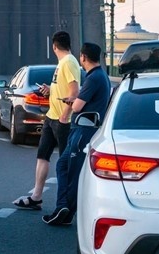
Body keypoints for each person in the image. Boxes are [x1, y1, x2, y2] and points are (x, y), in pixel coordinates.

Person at [43, 42, 111, 226]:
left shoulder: (93, 78)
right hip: (86, 129)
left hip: (83, 130)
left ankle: (65, 210)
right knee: (64, 166)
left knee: (70, 171)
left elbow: (78, 106)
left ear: (83, 57)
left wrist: (72, 101)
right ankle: (63, 208)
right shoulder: (101, 76)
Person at [13, 31, 80, 210]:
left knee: (66, 163)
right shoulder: (62, 63)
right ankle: (37, 197)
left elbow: (74, 92)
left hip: (62, 120)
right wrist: (50, 89)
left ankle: (67, 203)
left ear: (54, 46)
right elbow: (64, 88)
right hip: (51, 117)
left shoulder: (69, 62)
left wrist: (65, 115)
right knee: (42, 155)